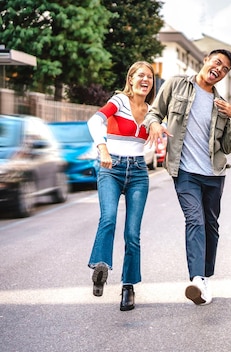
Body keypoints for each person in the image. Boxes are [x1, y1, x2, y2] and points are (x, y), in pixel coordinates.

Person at [143, 49, 231, 305]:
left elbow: (227, 147)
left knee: (211, 225)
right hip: (185, 172)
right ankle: (197, 278)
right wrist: (154, 124)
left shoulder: (222, 104)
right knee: (194, 220)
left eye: (225, 69)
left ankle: (205, 278)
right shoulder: (176, 84)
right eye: (217, 62)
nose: (219, 69)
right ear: (206, 60)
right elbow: (153, 112)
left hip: (214, 174)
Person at [87, 61, 156, 311]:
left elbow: (161, 132)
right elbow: (94, 121)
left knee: (132, 234)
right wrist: (102, 147)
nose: (145, 79)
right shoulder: (119, 102)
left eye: (149, 76)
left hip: (138, 171)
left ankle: (128, 287)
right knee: (108, 219)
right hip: (111, 168)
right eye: (140, 75)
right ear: (131, 79)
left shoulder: (152, 111)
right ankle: (101, 266)